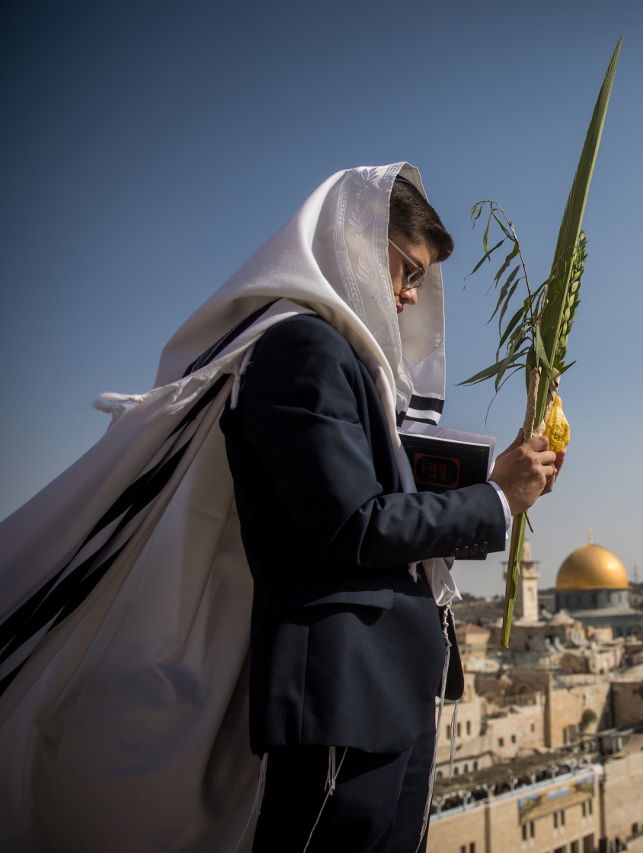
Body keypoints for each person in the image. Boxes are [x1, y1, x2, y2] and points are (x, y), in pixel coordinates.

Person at [0, 164, 558, 852]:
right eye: (406, 270)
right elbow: (352, 524)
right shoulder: (303, 349)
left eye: (419, 280)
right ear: (355, 243)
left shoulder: (349, 363)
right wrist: (495, 500)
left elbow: (378, 505)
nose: (411, 296)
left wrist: (497, 480)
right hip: (343, 692)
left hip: (386, 688)